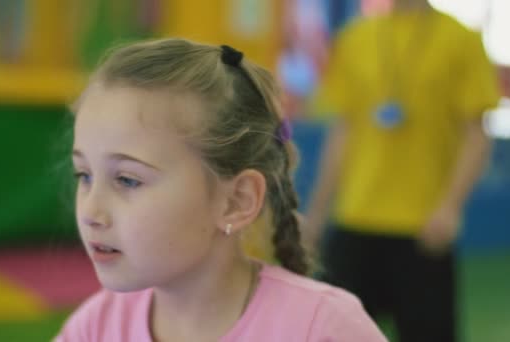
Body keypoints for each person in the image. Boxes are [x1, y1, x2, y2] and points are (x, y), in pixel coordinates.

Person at [55, 38, 386, 341]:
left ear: (235, 201)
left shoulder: (325, 329)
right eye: (83, 175)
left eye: (128, 179)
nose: (90, 212)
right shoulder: (94, 328)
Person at [304, 1, 500, 341]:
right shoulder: (356, 38)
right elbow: (343, 132)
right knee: (327, 334)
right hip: (355, 221)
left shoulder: (460, 39)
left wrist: (450, 207)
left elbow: (476, 135)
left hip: (423, 228)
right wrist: (317, 215)